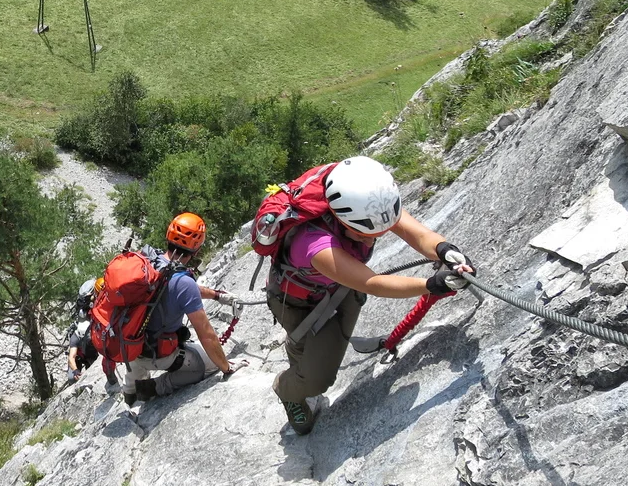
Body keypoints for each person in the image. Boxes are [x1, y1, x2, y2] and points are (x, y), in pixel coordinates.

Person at [266, 156, 475, 435]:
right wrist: (431, 284)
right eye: (363, 232)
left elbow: (418, 235)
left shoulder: (369, 203)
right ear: (340, 217)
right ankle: (287, 389)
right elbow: (372, 282)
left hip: (340, 288)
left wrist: (445, 250)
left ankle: (302, 354)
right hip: (298, 303)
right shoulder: (313, 243)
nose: (370, 239)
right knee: (318, 381)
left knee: (324, 350)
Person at [122, 213, 248, 405]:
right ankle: (156, 387)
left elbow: (173, 287)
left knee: (136, 364)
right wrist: (226, 367)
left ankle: (130, 390)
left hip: (130, 344)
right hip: (158, 352)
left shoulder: (148, 261)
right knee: (206, 366)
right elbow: (207, 335)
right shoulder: (183, 282)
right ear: (196, 250)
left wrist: (216, 295)